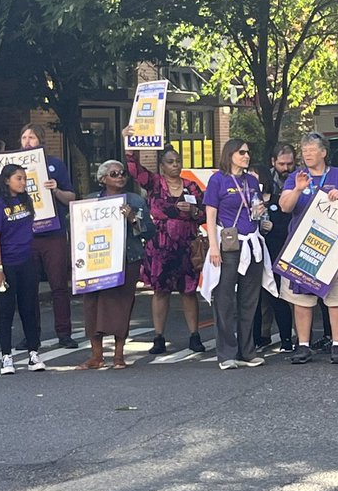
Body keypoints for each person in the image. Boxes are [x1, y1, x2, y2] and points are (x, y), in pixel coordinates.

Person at [278, 132, 338, 365]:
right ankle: (303, 345)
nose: (307, 154)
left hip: (336, 247)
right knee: (301, 299)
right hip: (304, 246)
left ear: (323, 152)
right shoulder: (296, 176)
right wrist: (297, 189)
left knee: (337, 297)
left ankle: (337, 344)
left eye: (312, 150)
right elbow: (284, 206)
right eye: (304, 150)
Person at [123, 130, 207, 355]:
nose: (175, 165)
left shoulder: (191, 186)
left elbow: (205, 213)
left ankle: (194, 336)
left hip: (186, 245)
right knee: (161, 291)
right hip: (160, 244)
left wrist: (193, 210)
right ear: (162, 166)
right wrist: (130, 146)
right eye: (170, 162)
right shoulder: (155, 183)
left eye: (178, 161)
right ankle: (158, 337)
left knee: (189, 290)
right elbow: (135, 171)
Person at [75, 160, 155, 370]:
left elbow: (149, 231)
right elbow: (77, 227)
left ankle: (119, 355)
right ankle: (96, 356)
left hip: (126, 260)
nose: (120, 177)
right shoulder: (90, 201)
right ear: (102, 179)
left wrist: (133, 219)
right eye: (114, 174)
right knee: (92, 305)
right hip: (95, 262)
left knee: (122, 305)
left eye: (122, 173)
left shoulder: (135, 200)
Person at [204, 138, 273, 370]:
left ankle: (247, 351)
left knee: (249, 299)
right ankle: (226, 354)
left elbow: (254, 210)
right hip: (228, 243)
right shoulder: (218, 180)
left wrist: (260, 213)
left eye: (248, 152)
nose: (246, 156)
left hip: (252, 242)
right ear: (230, 154)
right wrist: (214, 247)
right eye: (241, 152)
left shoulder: (251, 181)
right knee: (224, 299)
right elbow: (211, 215)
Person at [18, 124, 79, 348]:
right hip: (26, 234)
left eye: (32, 137)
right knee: (28, 288)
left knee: (58, 285)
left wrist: (56, 190)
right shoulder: (13, 169)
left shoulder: (55, 165)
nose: (27, 142)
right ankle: (31, 334)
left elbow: (71, 197)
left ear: (41, 141)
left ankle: (64, 333)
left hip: (53, 233)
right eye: (24, 137)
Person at [0, 164, 46, 376]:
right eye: (18, 178)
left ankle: (33, 353)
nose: (23, 182)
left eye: (25, 179)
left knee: (29, 309)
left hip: (26, 260)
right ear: (6, 180)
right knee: (6, 311)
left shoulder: (26, 200)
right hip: (6, 263)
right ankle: (6, 356)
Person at [258, 144, 298, 352]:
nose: (286, 168)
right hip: (263, 245)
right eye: (282, 164)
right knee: (263, 295)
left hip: (290, 239)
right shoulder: (265, 179)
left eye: (290, 164)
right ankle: (261, 336)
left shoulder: (300, 177)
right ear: (273, 162)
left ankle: (299, 337)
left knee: (292, 293)